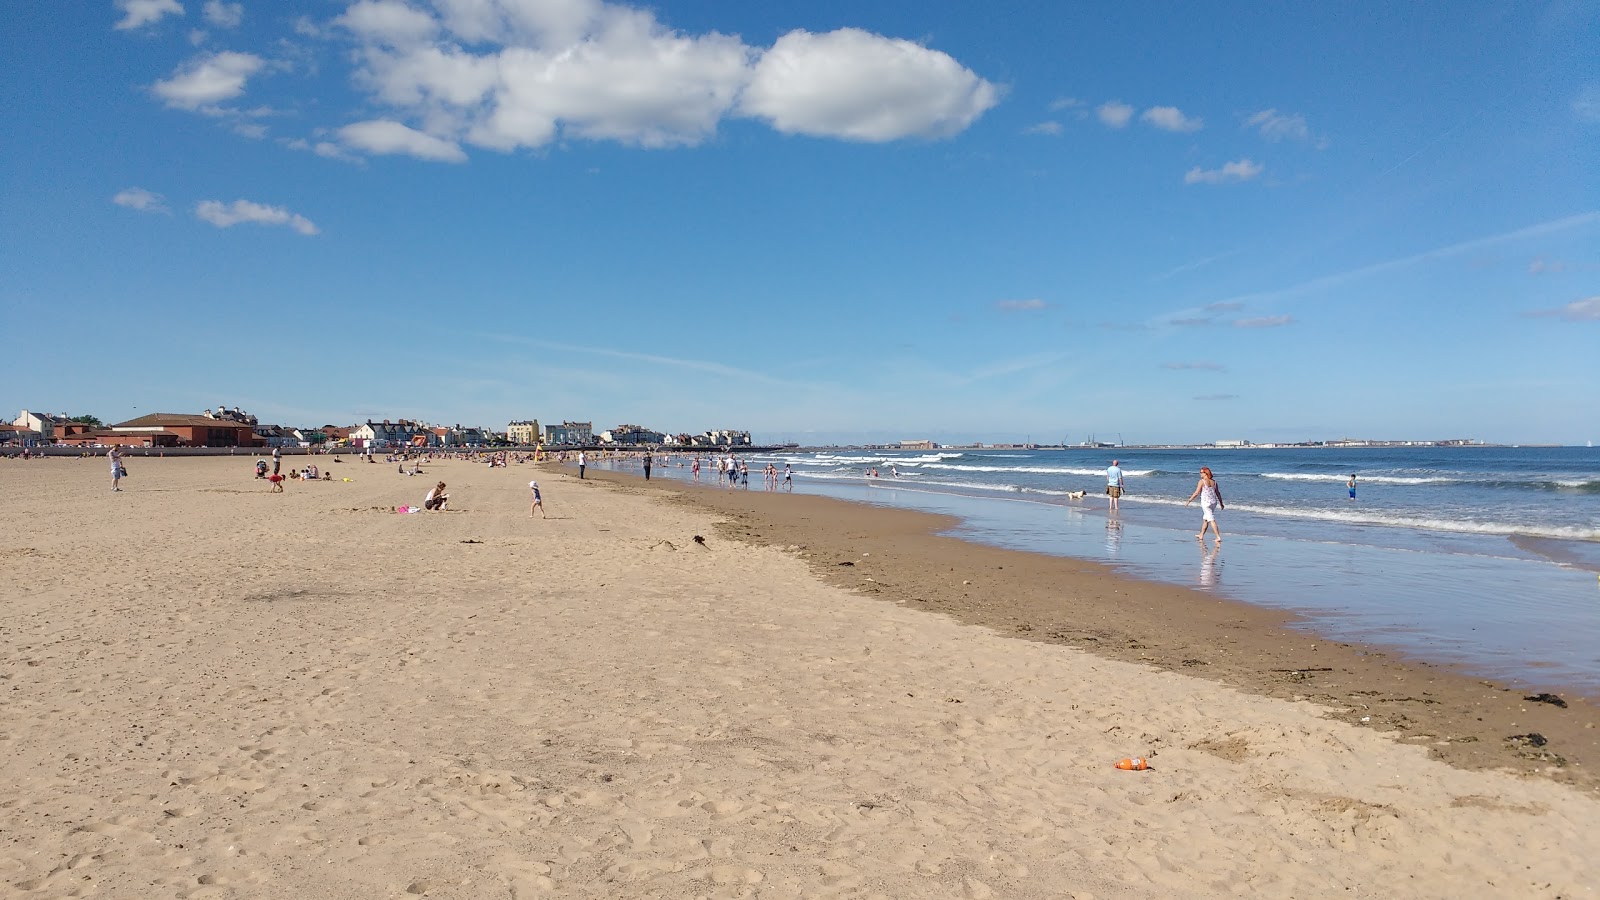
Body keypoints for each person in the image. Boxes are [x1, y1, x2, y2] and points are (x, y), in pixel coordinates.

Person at [1184, 466, 1225, 544]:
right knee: (1205, 519)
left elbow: (1196, 493)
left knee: (1211, 519)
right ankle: (1201, 535)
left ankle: (1218, 536)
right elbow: (1218, 493)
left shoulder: (1202, 481)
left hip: (1206, 503)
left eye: (1201, 472)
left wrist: (1189, 500)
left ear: (1205, 473)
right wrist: (1221, 503)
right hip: (1213, 503)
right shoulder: (1214, 482)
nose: (1200, 474)